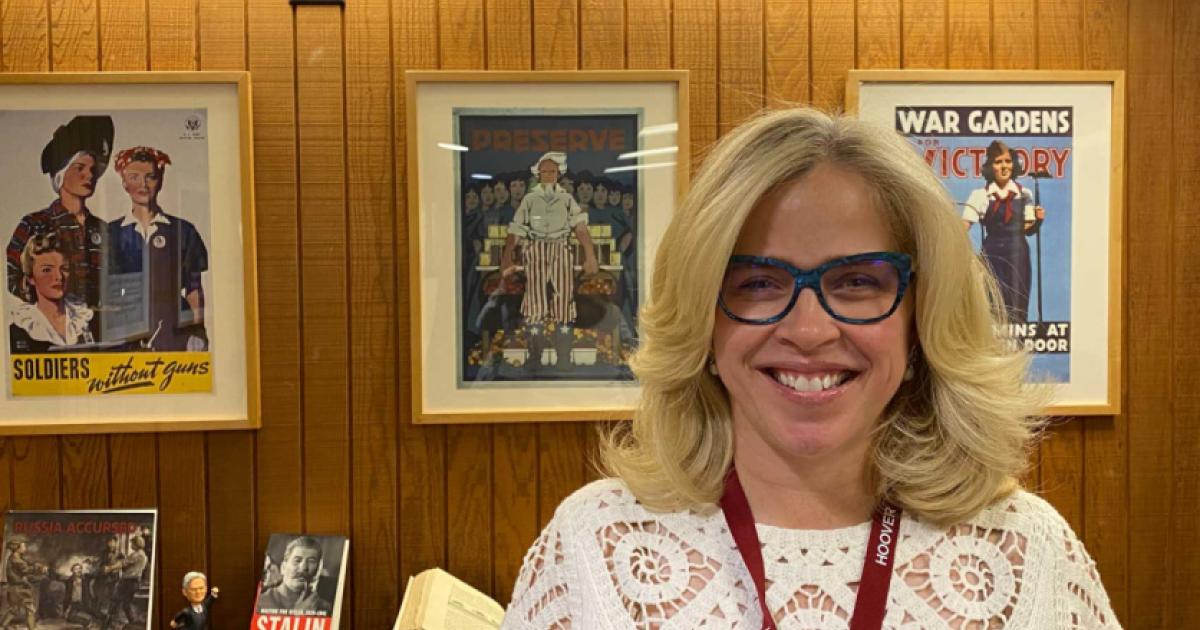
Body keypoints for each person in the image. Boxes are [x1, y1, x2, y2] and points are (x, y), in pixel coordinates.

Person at [502, 109, 1118, 628]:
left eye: (855, 281)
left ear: (920, 318)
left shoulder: (1025, 555)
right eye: (759, 282)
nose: (807, 330)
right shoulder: (596, 547)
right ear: (702, 323)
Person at [6, 115, 113, 339]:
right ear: (61, 174)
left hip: (101, 332)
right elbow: (12, 275)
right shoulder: (34, 224)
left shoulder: (104, 230)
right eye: (80, 168)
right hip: (52, 331)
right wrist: (49, 305)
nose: (89, 176)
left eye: (93, 170)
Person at [502, 152, 599, 371]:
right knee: (535, 301)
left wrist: (590, 255)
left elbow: (580, 228)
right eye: (544, 171)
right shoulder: (529, 199)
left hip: (560, 247)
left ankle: (563, 358)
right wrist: (507, 257)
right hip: (535, 249)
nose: (548, 175)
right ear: (538, 174)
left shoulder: (566, 199)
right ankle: (535, 357)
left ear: (559, 174)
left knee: (564, 299)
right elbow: (516, 230)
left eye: (552, 172)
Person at [107, 146, 210, 351]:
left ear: (160, 180)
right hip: (124, 338)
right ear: (124, 182)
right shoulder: (110, 233)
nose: (143, 185)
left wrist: (197, 332)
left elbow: (193, 289)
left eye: (150, 177)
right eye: (134, 177)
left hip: (174, 335)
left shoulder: (183, 231)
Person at [961, 140, 1045, 322]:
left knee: (1018, 305)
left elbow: (1027, 230)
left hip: (1018, 254)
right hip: (992, 255)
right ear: (991, 167)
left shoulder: (1025, 194)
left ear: (1013, 164)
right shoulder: (980, 196)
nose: (1004, 166)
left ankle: (1017, 347)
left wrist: (1038, 220)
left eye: (1007, 161)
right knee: (993, 304)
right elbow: (962, 228)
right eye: (998, 162)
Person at [9, 233, 96, 353]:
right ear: (31, 278)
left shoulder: (86, 318)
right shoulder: (21, 328)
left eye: (64, 268)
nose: (59, 277)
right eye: (47, 270)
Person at [257, 536, 331, 613]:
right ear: (283, 568)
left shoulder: (324, 607)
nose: (303, 567)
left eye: (311, 561)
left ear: (318, 570)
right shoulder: (261, 603)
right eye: (297, 560)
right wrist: (297, 614)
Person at [101, 535, 148, 629]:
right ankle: (133, 623)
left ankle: (105, 626)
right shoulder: (143, 555)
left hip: (127, 582)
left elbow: (123, 563)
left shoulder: (137, 555)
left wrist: (109, 568)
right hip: (134, 582)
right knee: (126, 604)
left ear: (136, 544)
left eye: (132, 543)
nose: (131, 545)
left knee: (114, 601)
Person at [0, 540, 46, 630]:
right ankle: (31, 628)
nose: (25, 548)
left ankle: (2, 626)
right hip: (21, 589)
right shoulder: (16, 559)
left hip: (13, 589)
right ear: (17, 548)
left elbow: (24, 570)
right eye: (23, 546)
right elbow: (26, 570)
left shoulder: (13, 558)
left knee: (14, 610)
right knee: (30, 610)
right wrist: (40, 568)